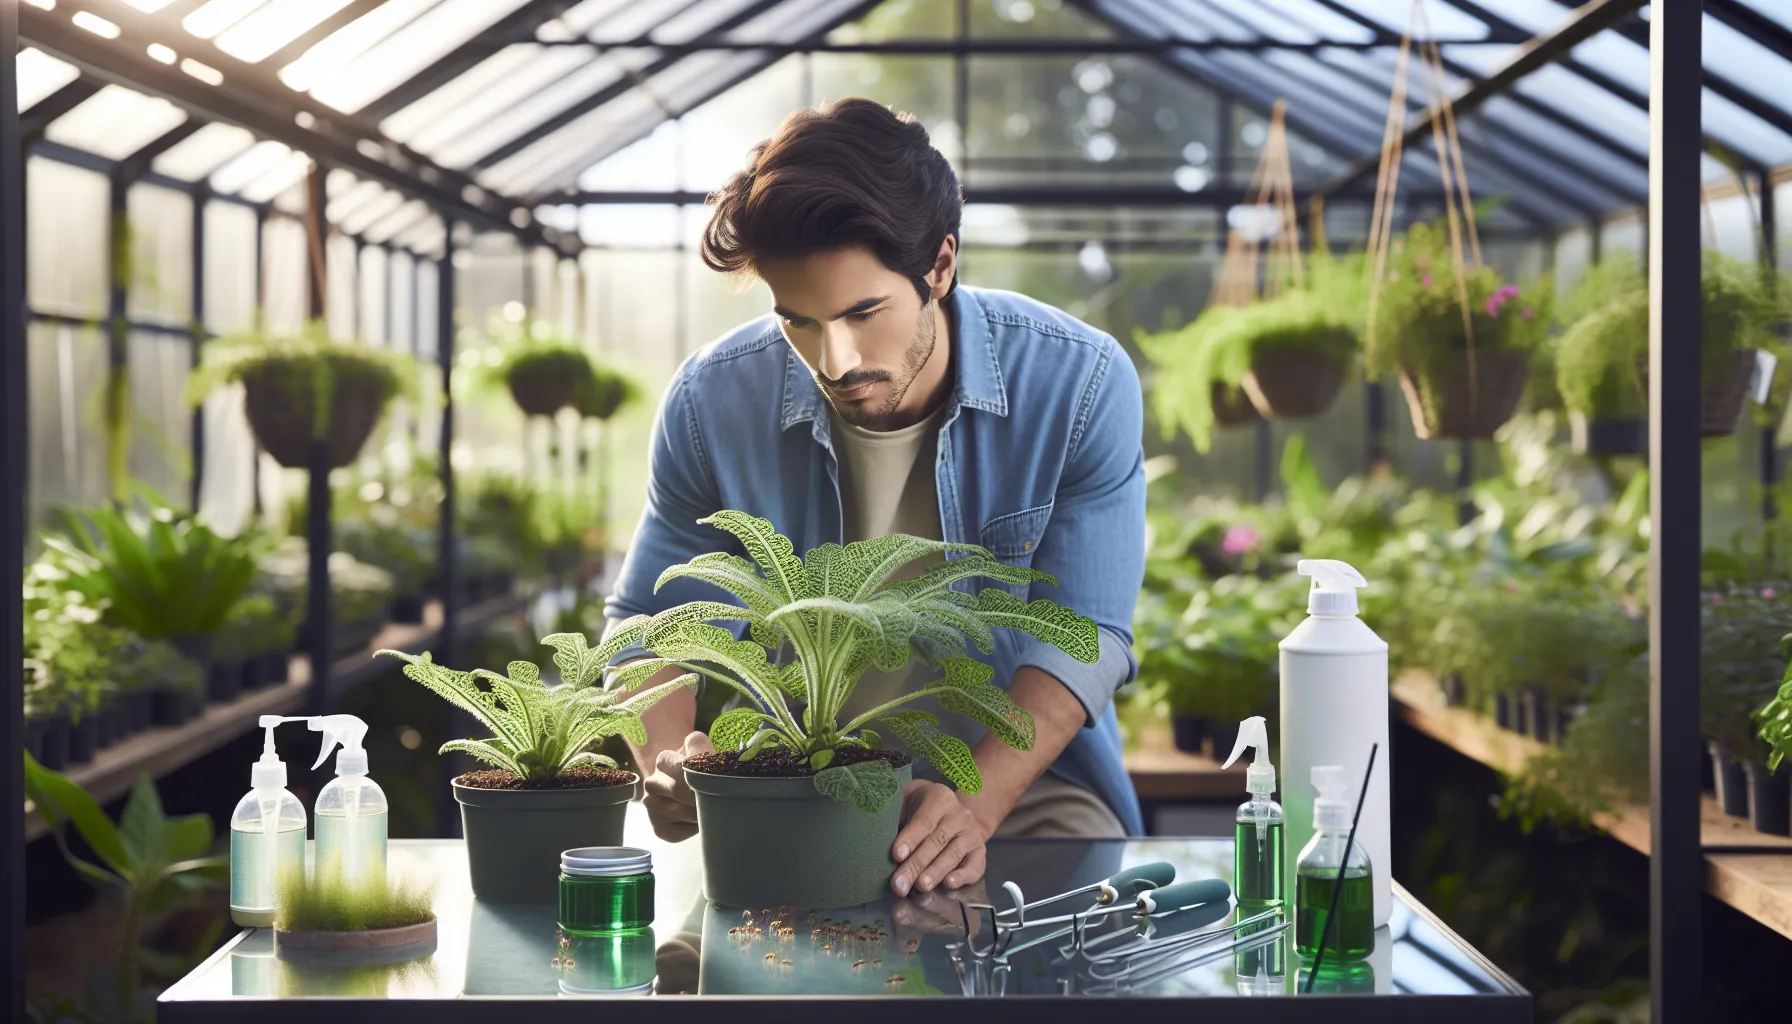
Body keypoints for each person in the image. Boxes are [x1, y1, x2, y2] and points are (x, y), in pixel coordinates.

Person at [604, 97, 1145, 898]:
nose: (837, 359)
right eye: (800, 322)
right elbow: (651, 621)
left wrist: (972, 804)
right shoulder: (709, 402)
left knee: (1069, 942)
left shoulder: (1079, 383)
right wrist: (667, 759)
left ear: (940, 265)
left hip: (1017, 791)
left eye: (864, 312)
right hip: (788, 783)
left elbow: (1086, 634)